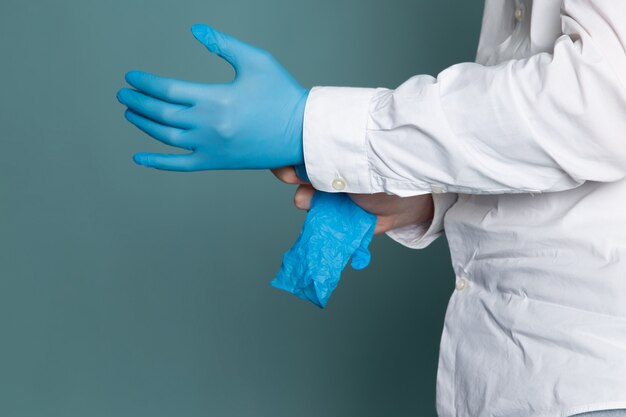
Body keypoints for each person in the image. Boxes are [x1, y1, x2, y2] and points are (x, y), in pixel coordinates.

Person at [116, 0, 626, 416]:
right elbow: (543, 132)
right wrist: (428, 197)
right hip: (518, 374)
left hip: (590, 375)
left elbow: (602, 100)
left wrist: (317, 126)